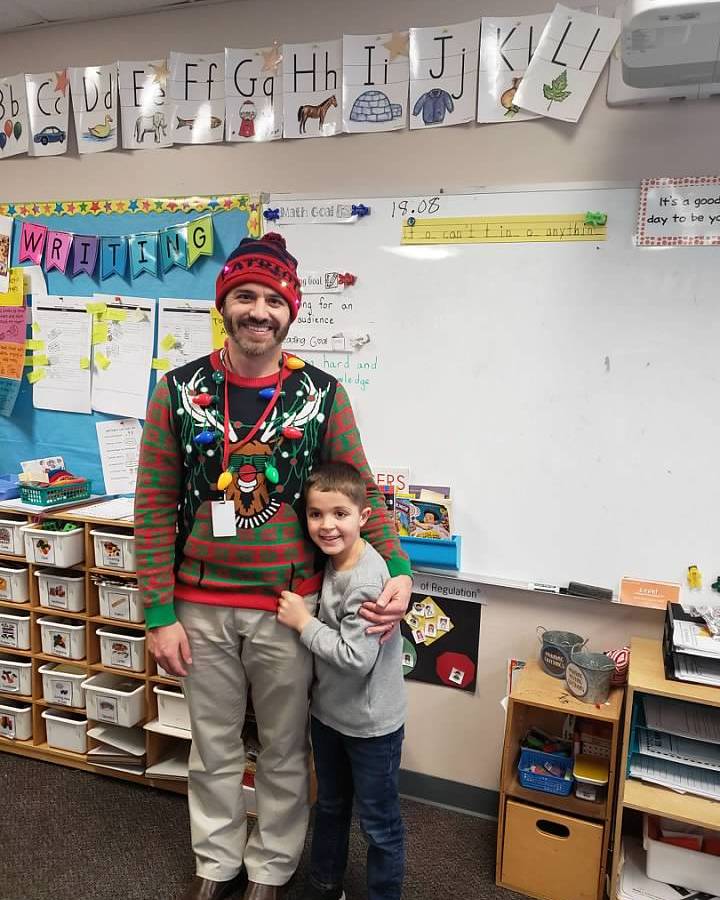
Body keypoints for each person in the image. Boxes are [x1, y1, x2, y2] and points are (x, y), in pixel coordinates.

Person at [133, 231, 412, 900]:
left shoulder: (322, 394)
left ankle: (272, 866)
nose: (259, 311)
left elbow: (360, 492)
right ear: (224, 304)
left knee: (285, 748)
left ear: (291, 312)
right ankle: (217, 862)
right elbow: (153, 505)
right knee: (213, 744)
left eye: (273, 300)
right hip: (198, 606)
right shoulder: (177, 391)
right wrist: (159, 613)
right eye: (245, 297)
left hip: (291, 608)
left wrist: (399, 568)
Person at [277, 461, 406, 900]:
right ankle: (324, 886)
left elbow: (355, 658)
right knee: (330, 806)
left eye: (340, 514)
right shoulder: (331, 560)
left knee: (379, 824)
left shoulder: (367, 579)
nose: (327, 525)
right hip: (330, 717)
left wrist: (303, 622)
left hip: (371, 728)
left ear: (363, 517)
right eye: (316, 514)